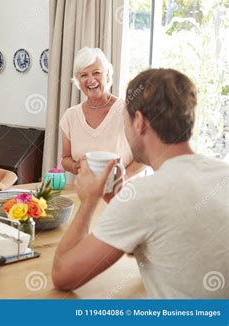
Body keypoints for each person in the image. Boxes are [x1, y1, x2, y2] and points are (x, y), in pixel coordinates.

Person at [52, 68, 229, 298]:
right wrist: (120, 199)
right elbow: (168, 245)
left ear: (140, 122)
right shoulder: (221, 172)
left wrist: (88, 201)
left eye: (124, 120)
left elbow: (62, 276)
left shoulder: (145, 196)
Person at [59, 47, 144, 177]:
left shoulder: (127, 111)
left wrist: (120, 179)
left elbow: (145, 157)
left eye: (96, 72)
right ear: (78, 80)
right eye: (84, 75)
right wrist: (76, 167)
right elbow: (65, 158)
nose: (91, 80)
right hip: (84, 193)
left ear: (108, 74)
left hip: (123, 193)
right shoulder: (71, 116)